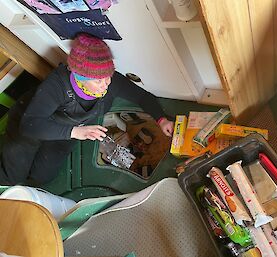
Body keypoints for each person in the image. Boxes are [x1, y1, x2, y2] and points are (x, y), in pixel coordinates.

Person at [0, 33, 174, 186]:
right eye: (98, 81)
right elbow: (30, 125)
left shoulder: (108, 81)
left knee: (42, 176)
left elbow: (141, 96)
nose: (106, 83)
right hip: (32, 124)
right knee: (13, 177)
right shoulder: (57, 85)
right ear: (79, 77)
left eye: (108, 76)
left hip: (66, 131)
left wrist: (161, 119)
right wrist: (75, 132)